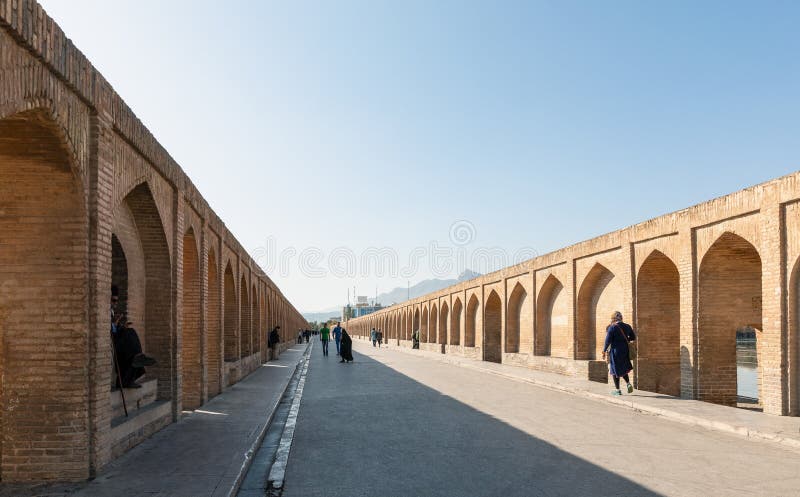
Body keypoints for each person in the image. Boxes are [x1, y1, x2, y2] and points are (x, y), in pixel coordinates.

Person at [110, 286, 156, 389]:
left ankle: (138, 356)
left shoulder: (111, 311)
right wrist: (114, 324)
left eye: (116, 301)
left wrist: (119, 325)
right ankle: (137, 356)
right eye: (113, 301)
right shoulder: (104, 311)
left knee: (130, 332)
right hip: (110, 340)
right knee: (129, 334)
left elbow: (114, 328)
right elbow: (107, 329)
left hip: (116, 338)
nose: (115, 303)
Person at [602, 311, 636, 396]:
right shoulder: (627, 326)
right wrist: (626, 340)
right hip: (625, 350)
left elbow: (607, 341)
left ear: (613, 318)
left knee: (614, 370)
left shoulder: (612, 327)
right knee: (623, 368)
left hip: (615, 351)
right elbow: (633, 337)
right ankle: (628, 383)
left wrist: (604, 350)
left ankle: (618, 390)